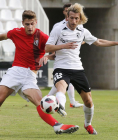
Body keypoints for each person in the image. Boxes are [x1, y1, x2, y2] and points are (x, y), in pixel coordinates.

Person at [0, 10, 79, 136]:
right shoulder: (16, 32)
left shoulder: (42, 36)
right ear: (23, 23)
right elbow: (3, 35)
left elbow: (55, 52)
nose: (30, 27)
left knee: (40, 102)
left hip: (30, 75)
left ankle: (57, 126)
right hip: (15, 72)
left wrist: (48, 56)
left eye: (32, 24)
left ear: (36, 22)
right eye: (27, 24)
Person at [44, 3, 118, 135]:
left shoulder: (83, 31)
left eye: (76, 18)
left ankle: (87, 124)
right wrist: (63, 46)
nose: (73, 21)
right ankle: (60, 106)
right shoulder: (58, 29)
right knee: (61, 88)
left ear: (80, 18)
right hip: (61, 67)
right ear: (67, 16)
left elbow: (98, 42)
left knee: (88, 101)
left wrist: (116, 42)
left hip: (77, 69)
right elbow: (47, 48)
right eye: (71, 18)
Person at [50, 3, 83, 108]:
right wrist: (53, 53)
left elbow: (84, 38)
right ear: (65, 13)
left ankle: (69, 101)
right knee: (62, 84)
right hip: (62, 61)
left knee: (64, 83)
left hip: (74, 60)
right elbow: (52, 43)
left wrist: (76, 43)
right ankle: (65, 101)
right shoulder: (58, 26)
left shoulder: (79, 26)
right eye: (66, 10)